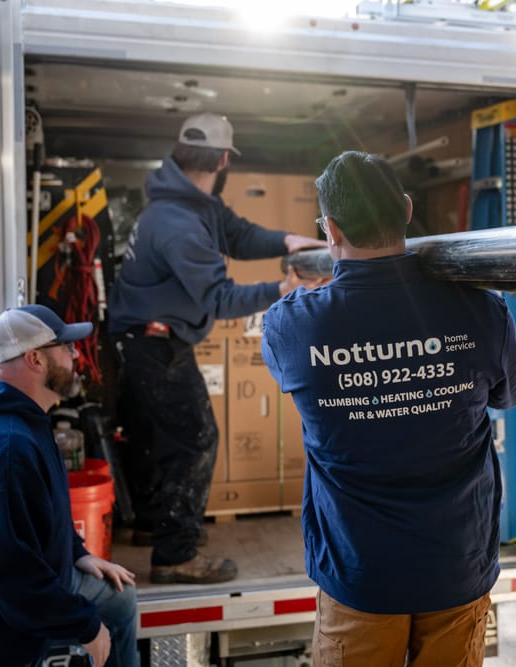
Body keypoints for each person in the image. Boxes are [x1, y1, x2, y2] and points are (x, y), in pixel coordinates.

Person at [261, 151, 516, 666]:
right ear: (407, 210)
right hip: (457, 566)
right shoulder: (478, 308)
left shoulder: (292, 327)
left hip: (360, 575)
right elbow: (515, 391)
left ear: (332, 229)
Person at [108, 112, 325, 585]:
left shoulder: (191, 203)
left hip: (151, 337)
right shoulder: (178, 223)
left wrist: (288, 240)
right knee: (196, 438)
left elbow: (240, 234)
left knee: (160, 437)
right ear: (224, 159)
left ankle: (155, 527)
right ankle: (175, 556)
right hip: (152, 342)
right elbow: (220, 298)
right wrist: (284, 289)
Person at [0, 304, 139, 667]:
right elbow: (8, 575)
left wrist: (76, 552)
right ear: (35, 359)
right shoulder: (6, 446)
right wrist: (87, 626)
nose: (75, 356)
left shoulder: (15, 418)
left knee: (120, 599)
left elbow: (35, 512)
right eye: (66, 348)